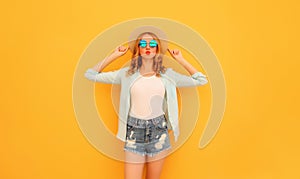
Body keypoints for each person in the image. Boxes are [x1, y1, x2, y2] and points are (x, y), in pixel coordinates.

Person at [84, 28, 208, 179]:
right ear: (138, 49)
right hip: (134, 132)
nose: (147, 46)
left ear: (157, 49)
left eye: (152, 43)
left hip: (159, 132)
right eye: (143, 43)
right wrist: (115, 55)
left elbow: (201, 79)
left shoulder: (167, 75)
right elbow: (90, 74)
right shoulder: (125, 75)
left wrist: (180, 59)